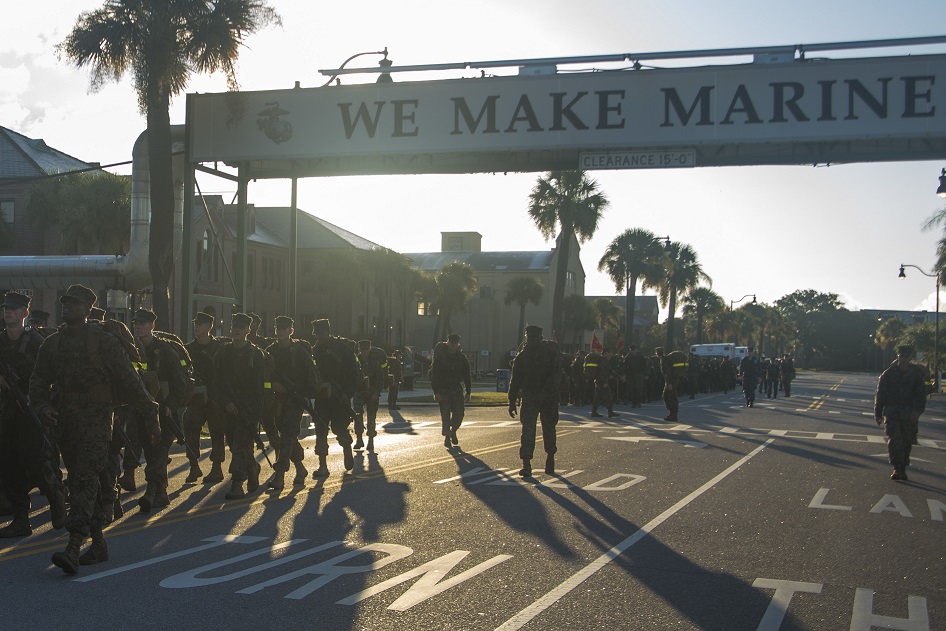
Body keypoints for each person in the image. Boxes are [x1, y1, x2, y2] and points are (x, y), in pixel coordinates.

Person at [30, 284, 158, 574]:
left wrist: (150, 412)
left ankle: (74, 544)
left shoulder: (102, 341)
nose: (67, 307)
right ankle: (98, 543)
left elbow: (129, 379)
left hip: (98, 420)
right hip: (66, 421)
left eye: (74, 303)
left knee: (83, 479)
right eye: (65, 303)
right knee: (87, 479)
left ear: (88, 309)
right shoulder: (53, 343)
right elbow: (38, 379)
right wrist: (42, 406)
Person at [0, 292, 65, 538]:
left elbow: (54, 376)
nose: (8, 312)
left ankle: (56, 497)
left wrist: (44, 404)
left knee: (36, 463)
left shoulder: (37, 342)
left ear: (25, 313)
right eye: (6, 308)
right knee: (8, 466)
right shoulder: (1, 341)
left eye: (14, 309)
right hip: (7, 414)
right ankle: (20, 520)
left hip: (31, 412)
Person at [132, 308, 188, 512]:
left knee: (160, 450)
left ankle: (151, 490)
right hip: (142, 411)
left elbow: (179, 383)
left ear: (152, 326)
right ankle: (162, 492)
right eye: (136, 322)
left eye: (143, 323)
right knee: (151, 450)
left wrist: (171, 406)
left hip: (165, 411)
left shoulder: (165, 350)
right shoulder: (132, 349)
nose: (138, 326)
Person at [213, 313, 265, 499]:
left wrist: (255, 414)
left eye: (241, 327)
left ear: (248, 331)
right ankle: (252, 467)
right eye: (234, 325)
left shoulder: (256, 354)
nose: (236, 329)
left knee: (242, 445)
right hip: (228, 407)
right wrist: (225, 401)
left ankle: (237, 484)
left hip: (247, 408)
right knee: (235, 446)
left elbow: (259, 387)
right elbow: (215, 380)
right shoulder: (223, 351)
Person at [265, 316, 315, 489]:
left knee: (287, 434)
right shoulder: (270, 351)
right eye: (277, 328)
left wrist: (301, 392)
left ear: (291, 331)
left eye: (283, 328)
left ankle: (280, 475)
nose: (279, 331)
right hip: (277, 401)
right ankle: (300, 468)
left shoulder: (299, 352)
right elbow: (263, 374)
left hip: (295, 400)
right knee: (287, 434)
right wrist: (272, 384)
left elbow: (311, 375)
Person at [507, 326, 563, 477]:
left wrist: (549, 392)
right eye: (528, 337)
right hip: (530, 397)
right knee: (528, 430)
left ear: (540, 337)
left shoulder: (550, 353)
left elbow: (557, 375)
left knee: (549, 429)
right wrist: (512, 400)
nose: (531, 340)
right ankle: (526, 464)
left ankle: (550, 457)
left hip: (548, 398)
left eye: (534, 337)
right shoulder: (522, 357)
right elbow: (515, 380)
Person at [310, 318, 358, 476]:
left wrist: (346, 393)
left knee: (338, 428)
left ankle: (346, 446)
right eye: (316, 334)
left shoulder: (342, 348)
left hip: (339, 397)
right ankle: (322, 466)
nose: (318, 336)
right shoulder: (315, 350)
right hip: (322, 397)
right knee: (320, 429)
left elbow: (353, 373)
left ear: (328, 332)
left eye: (321, 333)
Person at [183, 311, 227, 484]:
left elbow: (224, 374)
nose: (196, 326)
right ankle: (194, 466)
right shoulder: (189, 349)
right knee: (190, 429)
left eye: (200, 324)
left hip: (215, 399)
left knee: (217, 431)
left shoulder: (219, 348)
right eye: (195, 323)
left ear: (209, 327)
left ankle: (217, 468)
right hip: (195, 399)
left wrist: (219, 396)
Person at [874, 345, 927, 481]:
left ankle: (903, 466)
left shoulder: (916, 375)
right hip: (892, 412)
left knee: (906, 441)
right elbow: (880, 394)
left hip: (909, 413)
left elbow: (921, 395)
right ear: (897, 356)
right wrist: (878, 413)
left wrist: (918, 411)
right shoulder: (888, 373)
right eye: (901, 356)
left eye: (906, 356)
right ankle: (897, 467)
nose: (903, 359)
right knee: (894, 440)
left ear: (910, 358)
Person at [430, 333, 471, 448]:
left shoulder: (461, 358)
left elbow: (467, 376)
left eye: (455, 343)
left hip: (456, 389)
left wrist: (468, 392)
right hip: (443, 389)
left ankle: (453, 430)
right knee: (445, 414)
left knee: (459, 414)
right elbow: (435, 375)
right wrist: (436, 391)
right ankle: (447, 436)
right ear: (448, 343)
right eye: (451, 343)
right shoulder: (440, 358)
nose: (453, 345)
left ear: (458, 344)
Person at [353, 340, 384, 452]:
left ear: (369, 349)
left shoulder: (374, 362)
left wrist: (376, 393)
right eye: (362, 349)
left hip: (372, 393)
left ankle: (371, 440)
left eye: (366, 349)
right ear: (359, 349)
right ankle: (359, 439)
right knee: (357, 417)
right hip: (359, 393)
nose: (364, 351)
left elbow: (380, 378)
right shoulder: (355, 361)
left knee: (371, 417)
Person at [586, 347, 619, 418]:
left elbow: (609, 370)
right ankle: (610, 412)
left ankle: (594, 412)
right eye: (609, 352)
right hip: (601, 381)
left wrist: (618, 376)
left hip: (599, 381)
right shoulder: (603, 360)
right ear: (605, 353)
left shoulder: (602, 360)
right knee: (609, 396)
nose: (610, 354)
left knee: (598, 397)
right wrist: (605, 382)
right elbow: (602, 372)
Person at [658, 347, 688, 422]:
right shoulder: (666, 359)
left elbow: (668, 373)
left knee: (669, 397)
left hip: (671, 380)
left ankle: (673, 415)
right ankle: (672, 414)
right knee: (670, 396)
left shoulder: (664, 360)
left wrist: (669, 383)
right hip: (673, 379)